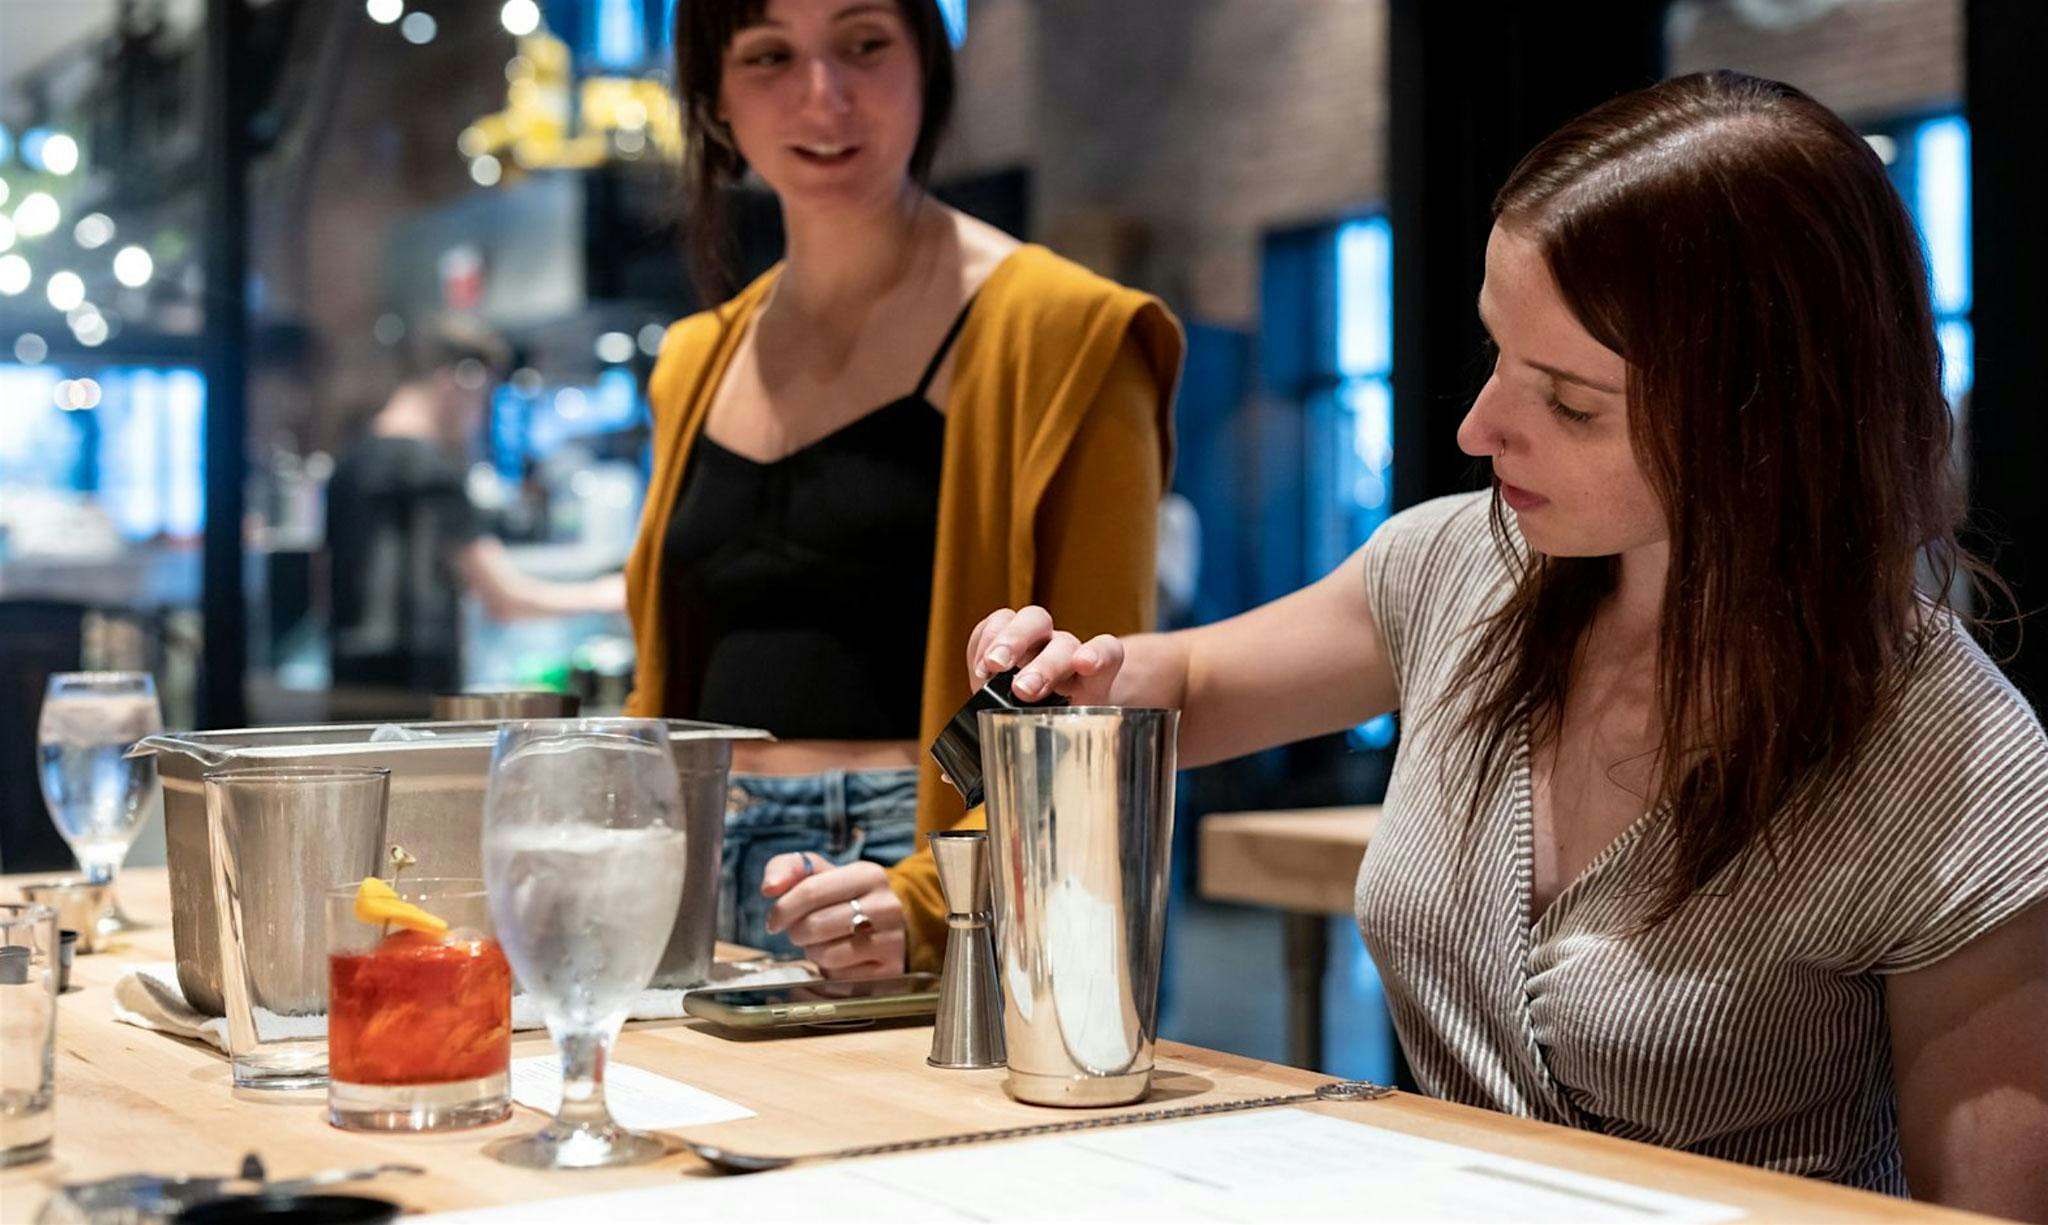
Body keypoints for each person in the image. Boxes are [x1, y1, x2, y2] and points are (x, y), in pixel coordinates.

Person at [966, 72, 2048, 1217]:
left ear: (1767, 421)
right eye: (1494, 353)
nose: (1478, 427)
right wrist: (1074, 677)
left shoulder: (1948, 762)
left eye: (1570, 403)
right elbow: (1188, 683)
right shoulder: (1459, 565)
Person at [621, 0, 1181, 974]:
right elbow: (659, 676)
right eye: (768, 56)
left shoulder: (1068, 334)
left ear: (929, 62)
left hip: (926, 882)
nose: (823, 94)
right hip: (695, 873)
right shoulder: (693, 359)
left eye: (864, 43)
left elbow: (1092, 706)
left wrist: (929, 897)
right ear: (715, 100)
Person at [327, 317, 623, 698]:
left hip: (348, 685)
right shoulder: (429, 469)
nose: (479, 416)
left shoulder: (351, 462)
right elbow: (503, 598)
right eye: (483, 397)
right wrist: (605, 595)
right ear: (458, 380)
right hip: (416, 692)